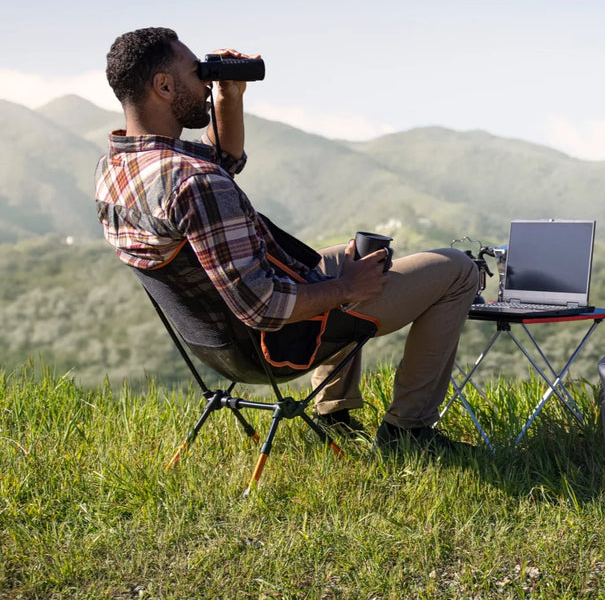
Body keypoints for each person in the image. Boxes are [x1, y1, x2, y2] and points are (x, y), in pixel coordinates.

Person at [94, 27, 479, 450]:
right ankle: (410, 430)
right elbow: (264, 307)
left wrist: (228, 96)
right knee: (456, 270)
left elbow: (224, 160)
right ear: (164, 86)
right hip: (275, 342)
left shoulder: (119, 166)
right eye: (196, 72)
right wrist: (347, 287)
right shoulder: (194, 183)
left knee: (335, 257)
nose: (205, 80)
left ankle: (336, 411)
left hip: (215, 344)